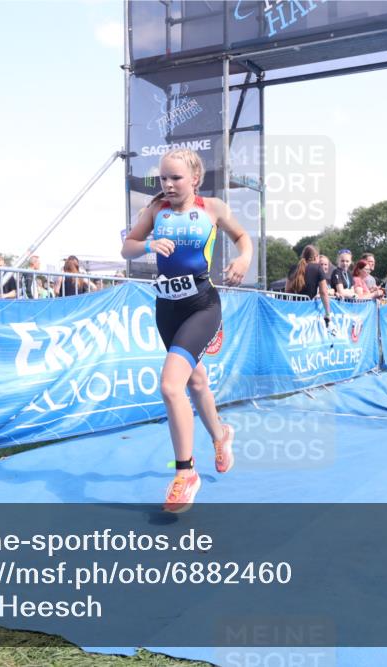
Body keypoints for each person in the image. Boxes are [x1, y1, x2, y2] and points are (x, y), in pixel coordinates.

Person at [121, 148, 252, 513]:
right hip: (167, 308)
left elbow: (243, 238)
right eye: (163, 177)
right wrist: (147, 244)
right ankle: (221, 435)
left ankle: (185, 473)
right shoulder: (155, 210)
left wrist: (242, 258)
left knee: (170, 385)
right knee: (195, 382)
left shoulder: (213, 208)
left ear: (194, 178)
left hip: (201, 306)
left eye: (176, 178)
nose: (168, 184)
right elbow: (127, 248)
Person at [286, 245, 334, 311]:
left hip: (295, 308)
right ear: (316, 257)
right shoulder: (318, 268)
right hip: (310, 309)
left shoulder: (293, 268)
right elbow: (323, 292)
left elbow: (287, 290)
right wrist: (327, 312)